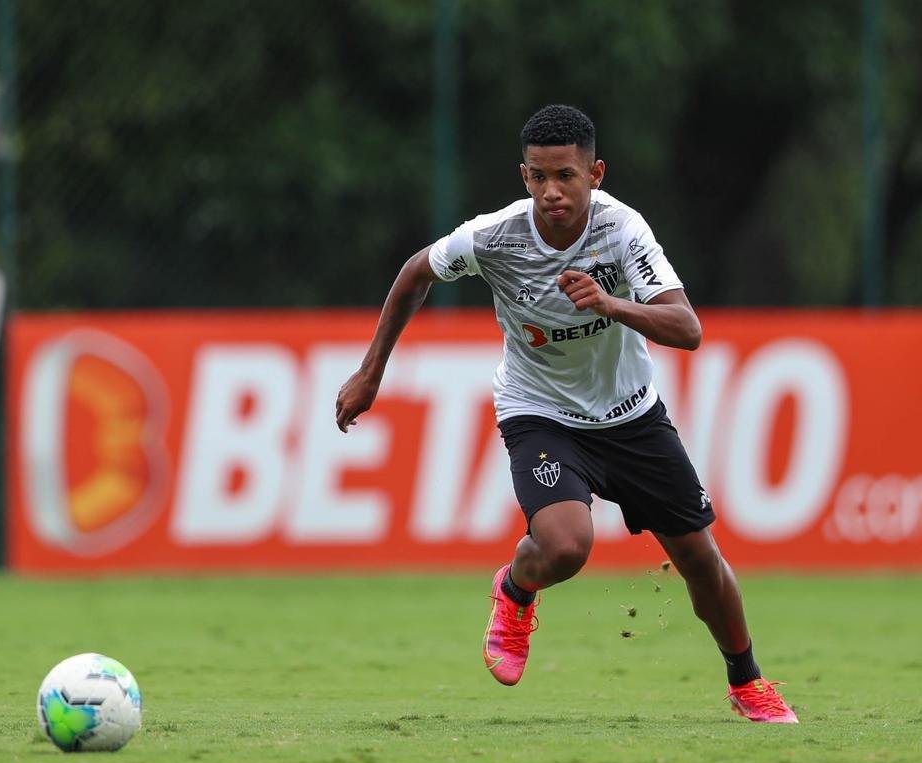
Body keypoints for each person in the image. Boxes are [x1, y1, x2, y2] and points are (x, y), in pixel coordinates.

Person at [335, 104, 797, 724]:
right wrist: (371, 373)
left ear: (595, 174)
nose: (551, 191)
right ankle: (515, 589)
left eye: (566, 176)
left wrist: (611, 303)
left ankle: (748, 682)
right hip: (540, 412)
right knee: (566, 546)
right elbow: (416, 273)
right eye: (538, 176)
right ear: (523, 176)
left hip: (631, 415)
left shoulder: (622, 231)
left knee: (698, 559)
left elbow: (687, 328)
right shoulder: (494, 237)